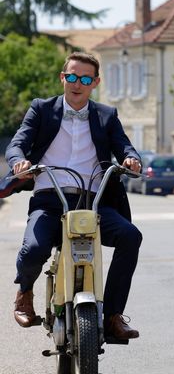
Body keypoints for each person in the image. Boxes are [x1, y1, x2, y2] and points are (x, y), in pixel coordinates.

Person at [5, 52, 143, 340]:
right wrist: (19, 162)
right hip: (49, 198)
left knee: (131, 236)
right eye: (71, 77)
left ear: (95, 83)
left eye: (84, 79)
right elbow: (18, 143)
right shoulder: (41, 109)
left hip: (92, 203)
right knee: (33, 250)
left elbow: (124, 146)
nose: (76, 84)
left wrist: (131, 160)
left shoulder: (107, 115)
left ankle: (114, 315)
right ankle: (24, 293)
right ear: (62, 78)